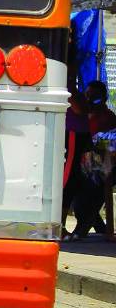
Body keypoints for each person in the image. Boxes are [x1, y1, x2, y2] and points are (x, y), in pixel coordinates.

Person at [62, 81, 114, 239]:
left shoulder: (107, 117)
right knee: (75, 185)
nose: (90, 99)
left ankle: (87, 225)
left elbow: (107, 144)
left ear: (103, 98)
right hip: (84, 157)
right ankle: (87, 224)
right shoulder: (81, 111)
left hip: (100, 161)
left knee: (94, 185)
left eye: (95, 97)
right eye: (88, 95)